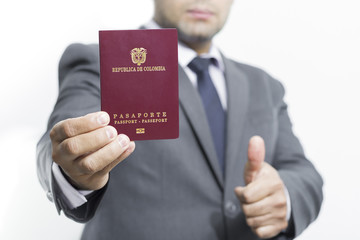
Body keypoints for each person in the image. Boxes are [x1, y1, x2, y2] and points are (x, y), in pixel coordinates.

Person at [37, 0, 323, 239]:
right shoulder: (99, 61)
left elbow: (302, 171)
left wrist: (284, 196)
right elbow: (60, 136)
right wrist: (72, 166)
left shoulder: (264, 84)